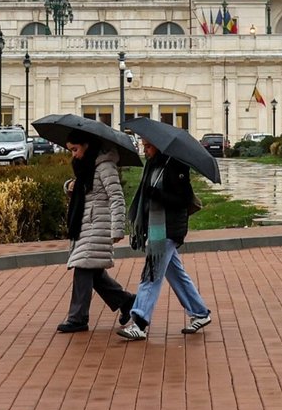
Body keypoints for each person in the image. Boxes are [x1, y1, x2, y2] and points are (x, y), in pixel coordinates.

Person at [119, 139, 212, 340]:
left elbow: (184, 199)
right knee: (176, 273)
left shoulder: (176, 166)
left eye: (149, 146)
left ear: (159, 146)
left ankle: (140, 322)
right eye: (144, 145)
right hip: (157, 228)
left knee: (151, 274)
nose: (145, 150)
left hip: (168, 229)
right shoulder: (154, 166)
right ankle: (200, 312)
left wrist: (159, 195)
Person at [56, 133, 134, 333]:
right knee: (94, 271)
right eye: (71, 150)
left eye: (75, 149)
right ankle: (126, 302)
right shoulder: (87, 165)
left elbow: (116, 197)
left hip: (98, 224)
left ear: (87, 145)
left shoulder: (105, 166)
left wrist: (118, 228)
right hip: (86, 224)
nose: (74, 154)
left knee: (83, 267)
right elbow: (85, 190)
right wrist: (70, 187)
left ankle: (77, 318)